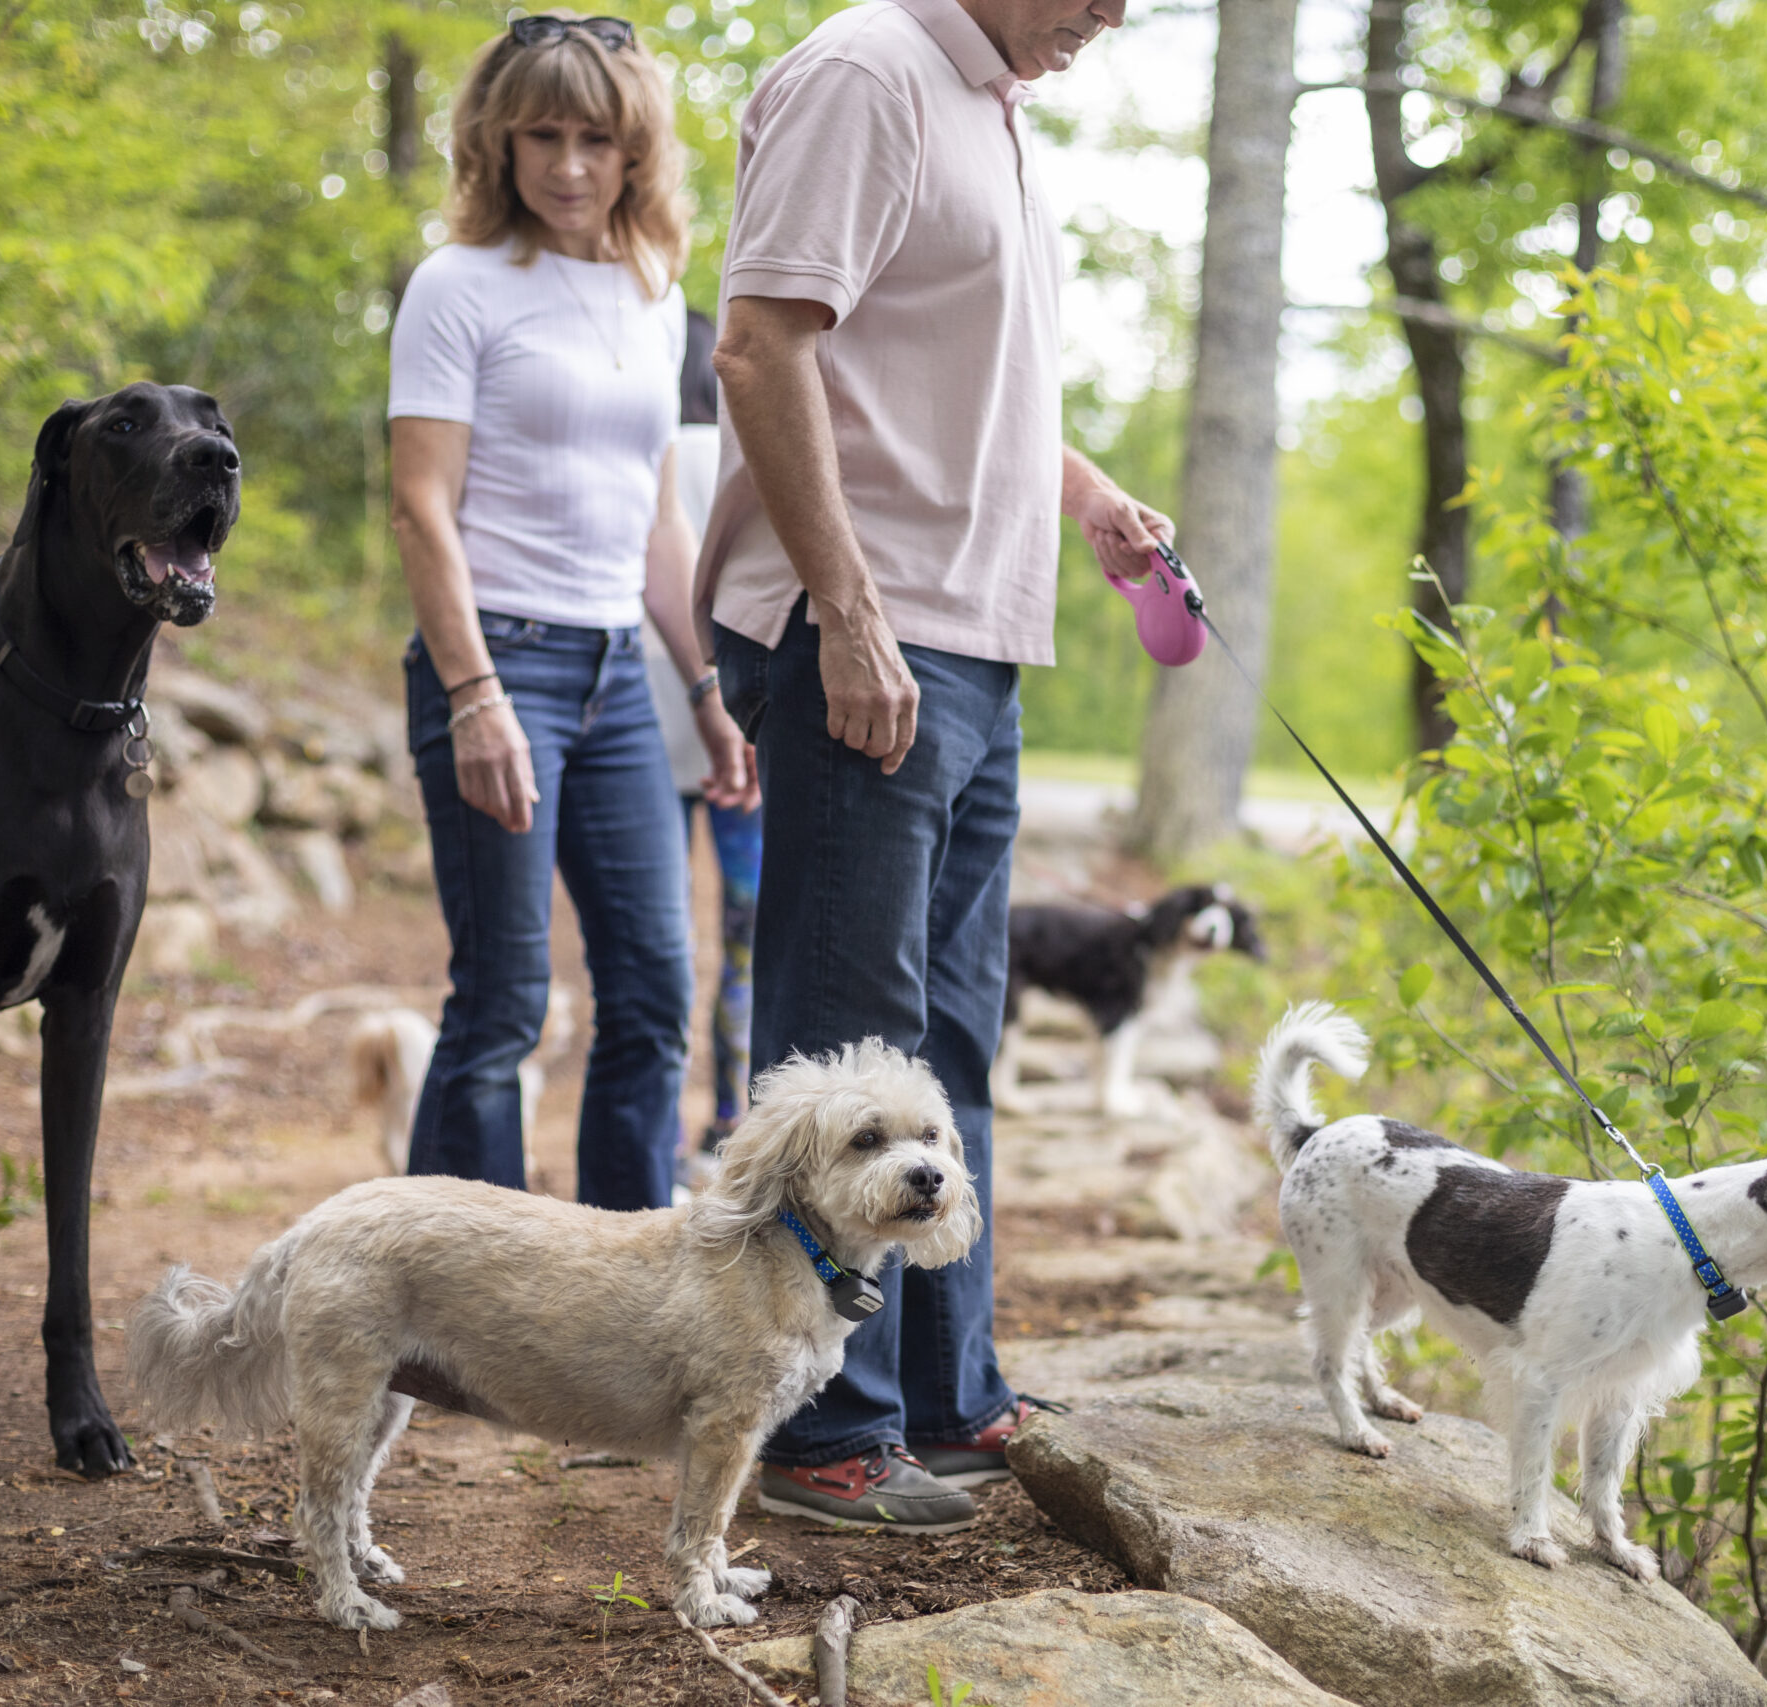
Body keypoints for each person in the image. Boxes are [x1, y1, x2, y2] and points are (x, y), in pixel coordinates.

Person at [698, 0, 1169, 1532]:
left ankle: (947, 1394)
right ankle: (823, 1427)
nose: (1116, 12)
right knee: (851, 1047)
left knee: (951, 1038)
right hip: (866, 634)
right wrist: (842, 608)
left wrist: (1086, 496)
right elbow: (764, 347)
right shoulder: (864, 74)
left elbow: (957, 393)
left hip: (978, 641)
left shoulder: (997, 107)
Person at [388, 12, 753, 1210]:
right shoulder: (457, 285)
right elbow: (422, 511)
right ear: (498, 141)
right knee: (501, 1001)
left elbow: (657, 528)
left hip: (615, 680)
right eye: (540, 134)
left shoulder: (654, 294)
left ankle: (624, 1286)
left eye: (595, 137)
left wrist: (708, 693)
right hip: (499, 663)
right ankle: (456, 1302)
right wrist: (474, 695)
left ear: (635, 150)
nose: (567, 164)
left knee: (652, 993)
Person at [642, 309, 761, 1170]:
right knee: (746, 936)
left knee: (661, 937)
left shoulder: (647, 454)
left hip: (644, 723)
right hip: (739, 733)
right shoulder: (742, 454)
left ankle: (664, 1140)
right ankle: (731, 1121)